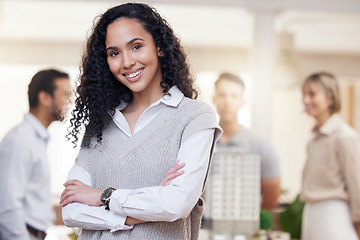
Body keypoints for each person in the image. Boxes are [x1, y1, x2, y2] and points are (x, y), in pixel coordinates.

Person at [59, 3, 222, 240]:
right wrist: (141, 209)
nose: (126, 62)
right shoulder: (100, 125)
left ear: (160, 47)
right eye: (114, 53)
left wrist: (102, 196)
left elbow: (177, 203)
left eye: (136, 46)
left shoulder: (195, 117)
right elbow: (71, 210)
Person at [0, 69, 71, 240]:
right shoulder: (21, 139)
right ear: (45, 98)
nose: (69, 102)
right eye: (65, 95)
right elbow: (8, 205)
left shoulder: (35, 139)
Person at [300, 72, 360, 240]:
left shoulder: (344, 136)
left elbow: (357, 185)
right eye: (304, 94)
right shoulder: (314, 140)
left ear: (330, 98)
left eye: (312, 94)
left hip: (334, 218)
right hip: (312, 216)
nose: (305, 100)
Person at [212, 72, 281, 210]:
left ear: (242, 101)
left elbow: (272, 195)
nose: (227, 101)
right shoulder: (202, 142)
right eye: (222, 95)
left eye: (234, 96)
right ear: (214, 99)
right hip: (204, 226)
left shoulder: (260, 144)